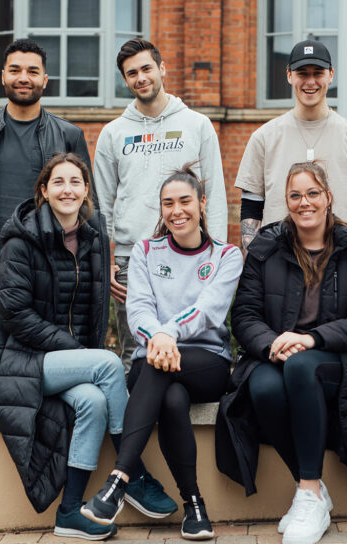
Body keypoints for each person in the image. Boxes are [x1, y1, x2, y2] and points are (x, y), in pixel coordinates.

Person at [216, 162, 347, 544]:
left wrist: (311, 339)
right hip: (276, 355)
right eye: (295, 195)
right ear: (287, 201)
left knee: (301, 366)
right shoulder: (266, 247)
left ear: (329, 198)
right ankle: (309, 491)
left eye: (313, 193)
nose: (304, 203)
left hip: (339, 361)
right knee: (261, 387)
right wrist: (271, 343)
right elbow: (244, 315)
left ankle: (311, 490)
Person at [81, 164, 243, 540]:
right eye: (167, 203)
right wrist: (159, 340)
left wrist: (166, 334)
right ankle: (194, 506)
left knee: (161, 370)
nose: (177, 210)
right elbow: (137, 311)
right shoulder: (145, 251)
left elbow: (209, 311)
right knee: (169, 396)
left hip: (207, 363)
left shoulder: (226, 255)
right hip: (153, 362)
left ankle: (118, 481)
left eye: (185, 200)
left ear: (202, 203)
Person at [0, 153, 124, 540]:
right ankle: (132, 471)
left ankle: (70, 512)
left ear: (86, 190)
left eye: (75, 182)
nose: (68, 189)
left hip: (64, 360)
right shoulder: (21, 238)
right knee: (109, 365)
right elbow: (12, 312)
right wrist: (74, 350)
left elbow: (95, 309)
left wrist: (78, 352)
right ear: (43, 190)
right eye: (58, 182)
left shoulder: (94, 236)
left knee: (93, 400)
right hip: (17, 361)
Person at [0, 38, 91, 388]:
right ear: (3, 77)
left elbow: (85, 206)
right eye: (16, 70)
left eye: (32, 71)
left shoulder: (69, 134)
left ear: (45, 80)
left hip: (48, 267)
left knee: (44, 372)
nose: (24, 77)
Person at [94, 38, 228, 376]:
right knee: (134, 354)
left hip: (193, 258)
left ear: (162, 68)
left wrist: (218, 256)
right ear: (125, 80)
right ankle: (130, 428)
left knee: (192, 347)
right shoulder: (113, 134)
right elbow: (100, 205)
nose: (140, 78)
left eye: (146, 69)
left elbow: (215, 194)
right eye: (131, 73)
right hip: (130, 260)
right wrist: (105, 261)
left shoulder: (197, 125)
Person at [236, 39, 347, 248]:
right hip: (279, 261)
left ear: (331, 75)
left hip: (338, 262)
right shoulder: (263, 137)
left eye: (318, 73)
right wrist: (255, 260)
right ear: (289, 75)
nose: (310, 81)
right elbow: (251, 207)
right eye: (302, 73)